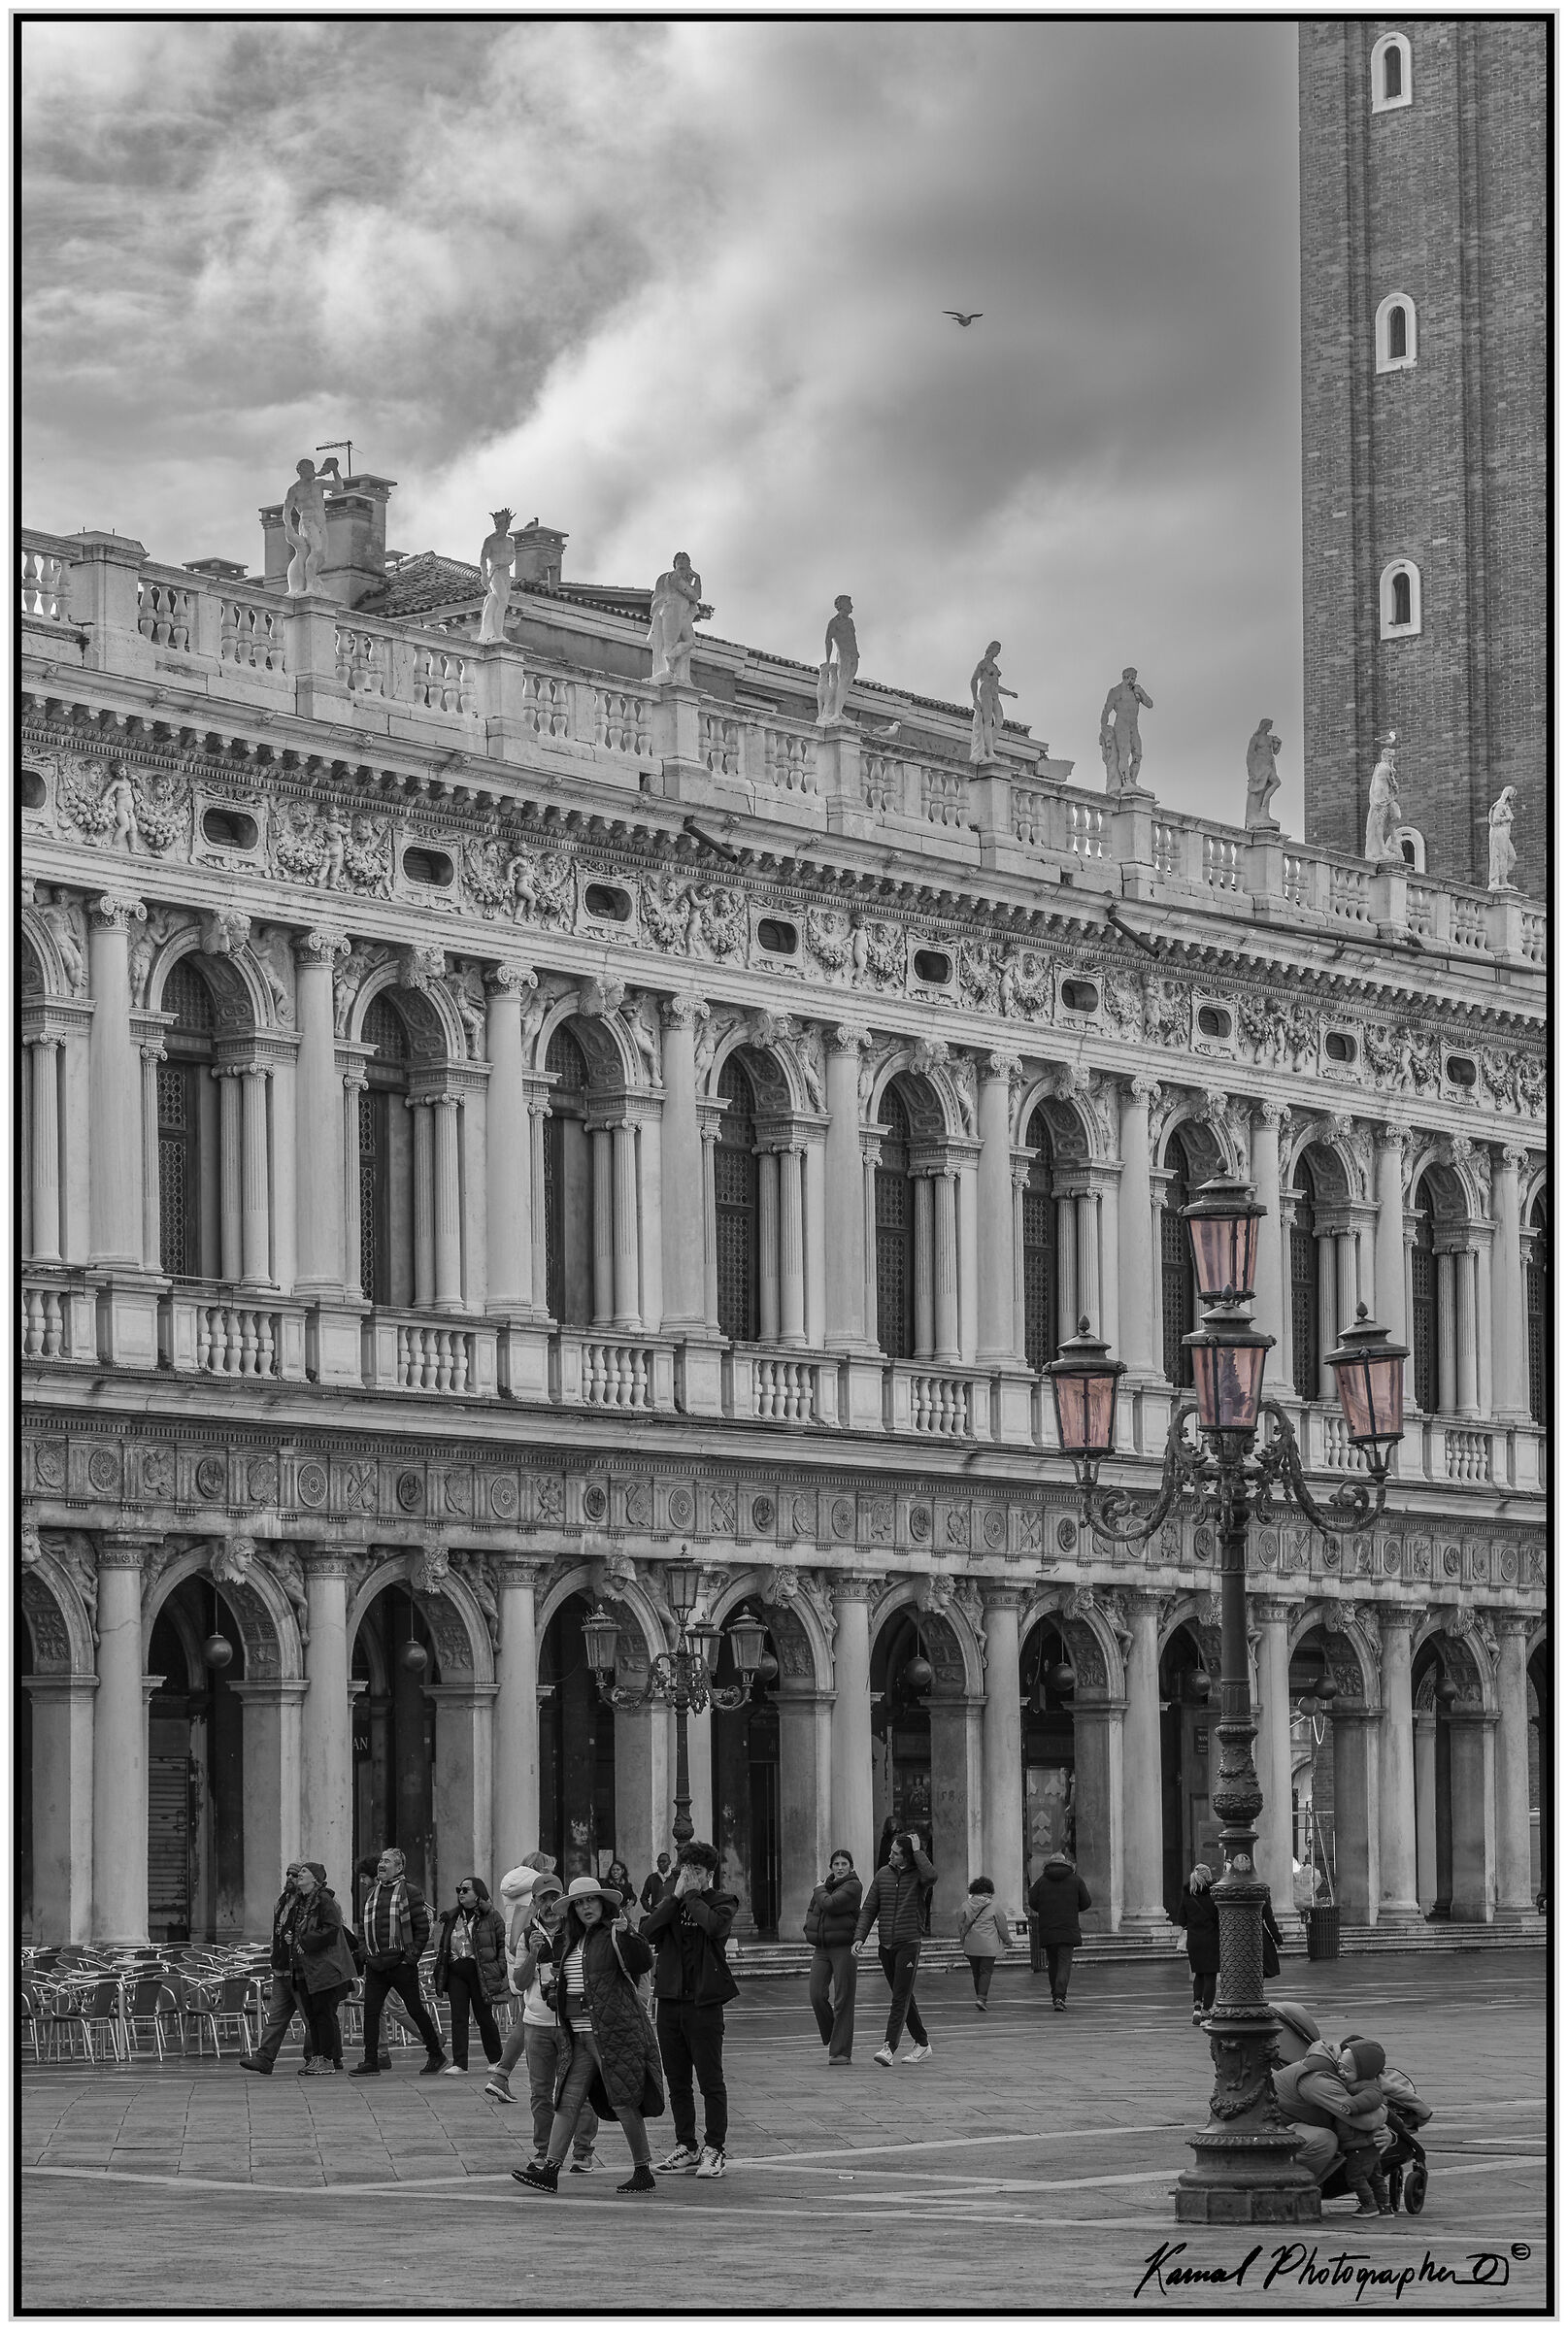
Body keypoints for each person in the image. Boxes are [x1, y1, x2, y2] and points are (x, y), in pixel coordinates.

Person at [512, 1875, 664, 2197]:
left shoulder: (615, 1933)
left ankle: (642, 2170)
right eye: (579, 1903)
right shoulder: (572, 1941)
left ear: (603, 1903)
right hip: (579, 2035)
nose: (585, 1908)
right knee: (566, 2101)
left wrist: (629, 1934)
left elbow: (643, 1961)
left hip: (613, 2034)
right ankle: (550, 2169)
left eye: (590, 1901)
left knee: (624, 2101)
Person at [488, 1874, 604, 2173]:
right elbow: (519, 1983)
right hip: (537, 2022)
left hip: (571, 2022)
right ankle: (543, 2150)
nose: (551, 1905)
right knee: (541, 2091)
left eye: (555, 1898)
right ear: (535, 1902)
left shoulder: (576, 1932)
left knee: (580, 2089)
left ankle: (583, 2151)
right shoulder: (527, 1935)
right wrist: (536, 1953)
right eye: (544, 1899)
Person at [644, 1840, 738, 2180]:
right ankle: (687, 2144)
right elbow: (648, 1931)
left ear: (709, 1874)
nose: (690, 1875)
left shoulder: (722, 1902)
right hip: (669, 2001)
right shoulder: (674, 1903)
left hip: (704, 2004)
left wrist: (694, 1895)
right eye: (686, 1869)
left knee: (711, 2081)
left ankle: (715, 2147)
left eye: (696, 1870)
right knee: (677, 2081)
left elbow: (715, 1927)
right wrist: (674, 1897)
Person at [350, 1846, 448, 2076]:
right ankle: (371, 2061)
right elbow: (364, 1928)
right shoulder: (372, 1893)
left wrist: (410, 1959)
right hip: (376, 1964)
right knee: (371, 2012)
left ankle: (436, 2053)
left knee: (414, 2009)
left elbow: (422, 1929)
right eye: (381, 1861)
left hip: (400, 1963)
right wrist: (365, 1953)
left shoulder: (410, 1892)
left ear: (399, 1867)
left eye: (388, 1861)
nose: (382, 1865)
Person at [851, 1829, 938, 2067]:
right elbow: (869, 1908)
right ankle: (922, 2043)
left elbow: (931, 1876)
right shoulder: (882, 1875)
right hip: (886, 1945)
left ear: (908, 1857)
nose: (890, 1857)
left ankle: (889, 2047)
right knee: (903, 1994)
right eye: (891, 1852)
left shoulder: (919, 1877)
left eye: (896, 1854)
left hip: (908, 1943)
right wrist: (860, 1936)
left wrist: (919, 1851)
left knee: (899, 1997)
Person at [431, 1877, 509, 2077]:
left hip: (480, 1971)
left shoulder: (491, 1916)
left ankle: (495, 2059)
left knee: (484, 2016)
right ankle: (460, 2063)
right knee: (458, 2017)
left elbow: (502, 1944)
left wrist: (500, 1968)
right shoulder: (452, 1916)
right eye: (459, 1889)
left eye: (466, 1889)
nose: (461, 1893)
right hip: (456, 1971)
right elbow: (444, 1946)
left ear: (478, 1893)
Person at [241, 1862, 312, 2074]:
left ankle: (316, 2057)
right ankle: (264, 2058)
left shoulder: (308, 1902)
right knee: (276, 2018)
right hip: (281, 1969)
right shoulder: (282, 1902)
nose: (290, 1878)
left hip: (299, 1970)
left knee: (311, 2018)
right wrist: (274, 1959)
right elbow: (276, 1935)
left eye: (295, 1874)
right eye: (288, 1874)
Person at [289, 1861, 357, 2074]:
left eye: (304, 1872)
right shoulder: (300, 1901)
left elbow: (331, 1929)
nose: (299, 1875)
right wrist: (293, 1937)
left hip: (323, 1968)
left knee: (323, 2013)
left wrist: (305, 1941)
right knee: (313, 2015)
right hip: (305, 1969)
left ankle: (327, 2059)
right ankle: (317, 2057)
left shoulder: (323, 1900)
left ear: (315, 1878)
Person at [804, 1848, 862, 2063]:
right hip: (822, 1948)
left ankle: (840, 2052)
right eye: (836, 1864)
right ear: (831, 1867)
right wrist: (808, 1927)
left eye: (844, 1864)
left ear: (851, 1867)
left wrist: (819, 1889)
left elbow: (830, 1904)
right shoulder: (823, 1888)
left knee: (843, 1999)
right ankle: (834, 2033)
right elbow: (812, 1910)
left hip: (844, 1948)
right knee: (816, 1994)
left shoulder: (853, 1886)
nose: (840, 1868)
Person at [1028, 1849, 1092, 2013]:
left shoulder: (1041, 1881)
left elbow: (1032, 1902)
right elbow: (1086, 1902)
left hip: (1048, 1928)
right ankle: (1059, 1996)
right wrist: (1073, 1907)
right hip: (1068, 1927)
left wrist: (1044, 1908)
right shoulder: (1075, 1880)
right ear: (1066, 1862)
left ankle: (1055, 1994)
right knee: (1064, 1963)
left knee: (1053, 1964)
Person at [955, 1875, 1013, 2011]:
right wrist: (1007, 1940)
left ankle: (979, 1997)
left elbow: (960, 1924)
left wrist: (963, 1937)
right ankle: (981, 1998)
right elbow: (1002, 1926)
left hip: (971, 1944)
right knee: (986, 1972)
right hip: (989, 1945)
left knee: (976, 1973)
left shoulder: (965, 1905)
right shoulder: (994, 1906)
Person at [1173, 1864, 1220, 2022]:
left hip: (1194, 1940)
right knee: (1210, 1976)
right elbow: (1219, 1917)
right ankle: (1206, 2012)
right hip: (1211, 1939)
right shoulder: (1213, 1894)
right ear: (1208, 1877)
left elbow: (1181, 1919)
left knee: (1198, 1974)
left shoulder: (1188, 1894)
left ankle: (1197, 2008)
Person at [648, 552, 701, 687]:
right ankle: (668, 670)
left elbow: (697, 596)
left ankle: (671, 658)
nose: (682, 561)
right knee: (670, 642)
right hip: (671, 610)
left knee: (690, 642)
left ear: (689, 564)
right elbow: (692, 595)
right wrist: (693, 583)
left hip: (682, 613)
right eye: (679, 559)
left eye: (685, 559)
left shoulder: (685, 580)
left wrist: (697, 578)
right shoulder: (673, 576)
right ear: (675, 563)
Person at [968, 642, 1018, 765]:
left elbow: (996, 685)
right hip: (985, 693)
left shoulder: (994, 667)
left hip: (994, 693)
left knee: (999, 721)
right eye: (998, 649)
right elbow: (974, 680)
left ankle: (987, 746)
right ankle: (990, 752)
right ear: (992, 649)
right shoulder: (983, 663)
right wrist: (975, 699)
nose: (999, 652)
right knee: (988, 722)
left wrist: (1009, 693)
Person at [816, 595, 859, 724]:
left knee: (847, 683)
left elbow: (853, 639)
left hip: (853, 655)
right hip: (843, 654)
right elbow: (828, 640)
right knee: (842, 681)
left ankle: (838, 710)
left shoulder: (850, 622)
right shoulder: (834, 622)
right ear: (843, 605)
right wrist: (828, 660)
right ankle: (836, 713)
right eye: (849, 603)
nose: (852, 606)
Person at [478, 509, 516, 645]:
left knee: (500, 602)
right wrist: (484, 575)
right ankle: (498, 634)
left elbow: (512, 556)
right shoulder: (490, 541)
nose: (507, 527)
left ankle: (494, 631)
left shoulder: (510, 541)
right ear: (498, 524)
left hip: (505, 573)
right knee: (502, 601)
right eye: (505, 525)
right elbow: (482, 559)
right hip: (494, 573)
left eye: (508, 525)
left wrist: (504, 562)